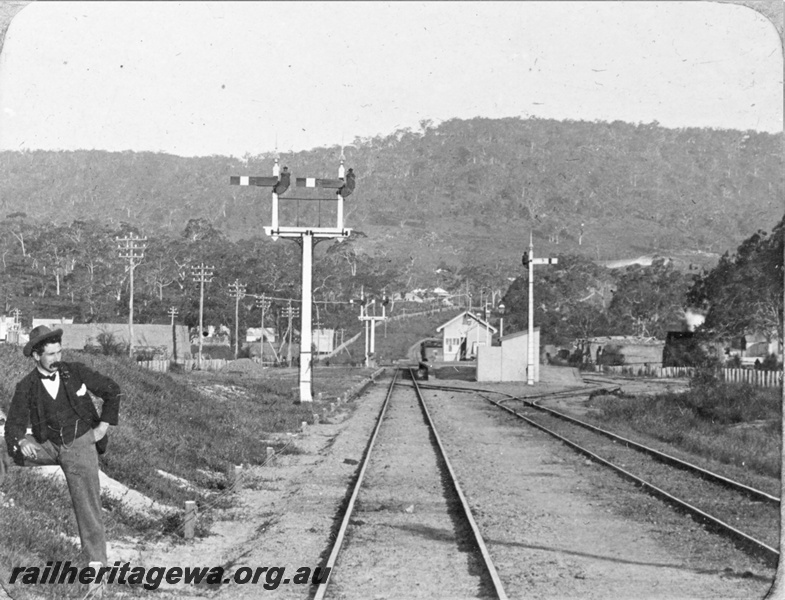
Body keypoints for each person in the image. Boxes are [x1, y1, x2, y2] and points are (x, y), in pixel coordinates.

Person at [4, 325, 122, 566]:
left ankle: (96, 569)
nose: (58, 359)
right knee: (1, 449)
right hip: (46, 445)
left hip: (79, 445)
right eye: (51, 354)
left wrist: (102, 428)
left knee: (88, 508)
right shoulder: (26, 385)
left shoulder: (75, 372)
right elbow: (13, 424)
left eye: (59, 352)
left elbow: (112, 390)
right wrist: (22, 439)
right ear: (36, 356)